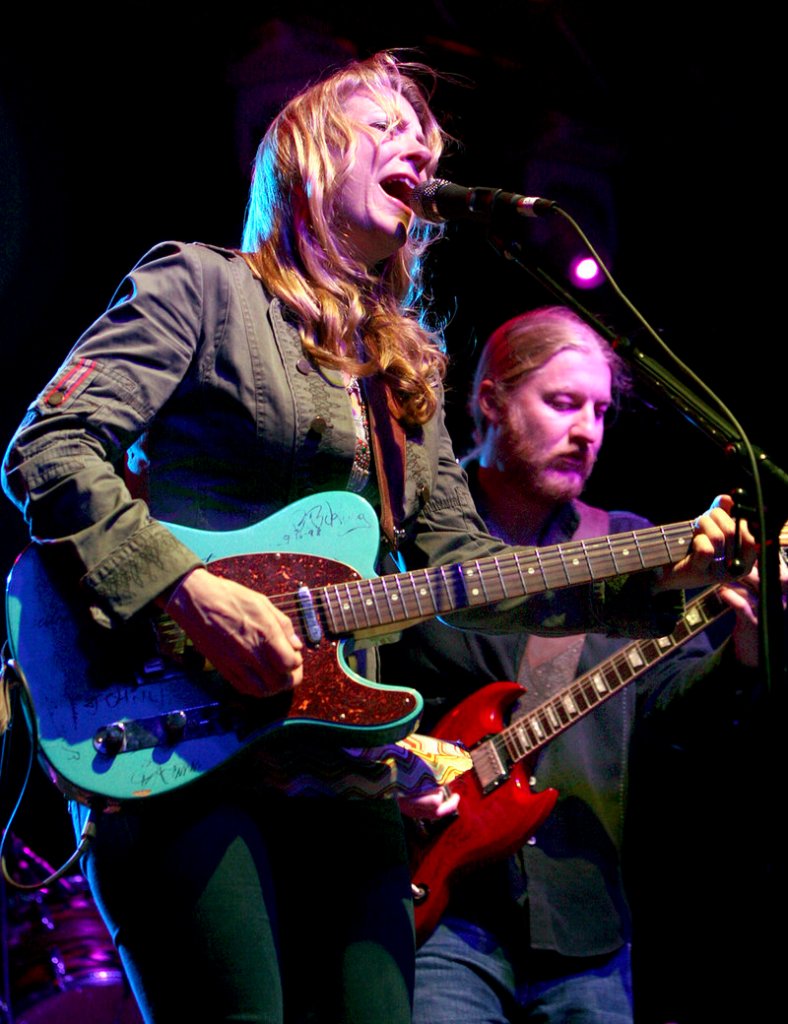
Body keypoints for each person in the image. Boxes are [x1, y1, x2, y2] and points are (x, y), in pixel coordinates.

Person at [1, 53, 753, 1024]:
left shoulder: (399, 368)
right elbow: (49, 450)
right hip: (171, 735)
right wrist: (185, 590)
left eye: (426, 141)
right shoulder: (199, 286)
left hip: (341, 771)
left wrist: (659, 569)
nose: (417, 145)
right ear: (310, 153)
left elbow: (467, 574)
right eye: (384, 124)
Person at [379, 305, 763, 1024]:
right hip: (437, 907)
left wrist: (742, 655)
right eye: (562, 403)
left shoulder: (631, 544)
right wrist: (398, 769)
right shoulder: (414, 545)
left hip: (584, 919)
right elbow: (359, 693)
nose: (587, 430)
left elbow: (676, 719)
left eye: (600, 410)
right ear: (490, 399)